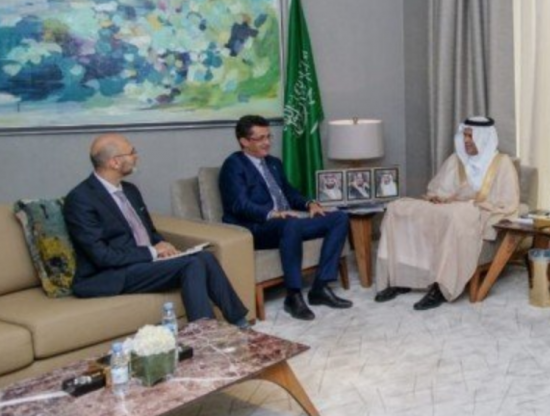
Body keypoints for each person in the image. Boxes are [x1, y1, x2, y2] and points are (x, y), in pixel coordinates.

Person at [64, 134, 249, 327]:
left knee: (205, 257)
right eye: (132, 152)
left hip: (143, 262)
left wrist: (162, 244)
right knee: (191, 264)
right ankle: (205, 335)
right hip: (111, 273)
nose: (136, 156)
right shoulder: (80, 199)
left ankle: (240, 322)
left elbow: (149, 231)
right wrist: (153, 252)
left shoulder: (130, 190)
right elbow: (102, 256)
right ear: (115, 162)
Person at [374, 116, 519, 310]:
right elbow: (436, 189)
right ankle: (400, 278)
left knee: (453, 216)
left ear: (484, 138)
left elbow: (508, 202)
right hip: (446, 207)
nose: (466, 140)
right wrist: (438, 198)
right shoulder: (456, 159)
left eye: (471, 136)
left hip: (476, 211)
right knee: (397, 208)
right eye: (465, 135)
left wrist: (470, 200)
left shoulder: (502, 163)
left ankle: (441, 288)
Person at [219, 115, 352, 321]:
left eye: (268, 136)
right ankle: (293, 296)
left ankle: (320, 287)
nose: (267, 142)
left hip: (288, 225)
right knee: (290, 224)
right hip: (256, 228)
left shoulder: (273, 163)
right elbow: (239, 204)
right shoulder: (233, 165)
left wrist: (309, 204)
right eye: (260, 138)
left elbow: (289, 193)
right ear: (244, 141)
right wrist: (272, 214)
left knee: (339, 218)